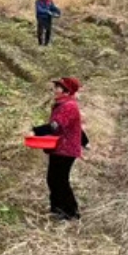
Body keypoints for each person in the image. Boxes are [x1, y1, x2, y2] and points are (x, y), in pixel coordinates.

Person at [32, 77, 84, 220]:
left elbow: (56, 126)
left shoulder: (69, 106)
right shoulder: (62, 104)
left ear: (66, 91)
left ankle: (71, 212)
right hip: (59, 147)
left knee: (60, 180)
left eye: (57, 87)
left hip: (66, 150)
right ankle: (57, 209)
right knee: (53, 179)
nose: (54, 90)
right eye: (55, 86)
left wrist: (35, 131)